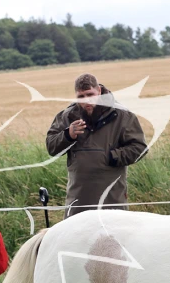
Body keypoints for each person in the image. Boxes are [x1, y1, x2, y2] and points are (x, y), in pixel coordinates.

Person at [46, 73, 147, 218]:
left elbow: (140, 148)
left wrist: (111, 157)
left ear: (99, 91)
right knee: (77, 232)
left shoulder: (122, 115)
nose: (87, 100)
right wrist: (68, 135)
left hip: (112, 197)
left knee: (113, 231)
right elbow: (51, 147)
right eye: (81, 96)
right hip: (78, 199)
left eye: (90, 94)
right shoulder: (67, 116)